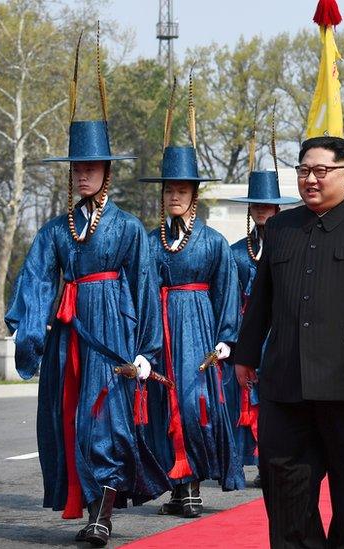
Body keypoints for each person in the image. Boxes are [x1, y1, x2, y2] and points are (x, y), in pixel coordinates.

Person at [4, 38, 169, 547]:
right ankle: (88, 506)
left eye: (90, 166)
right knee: (72, 421)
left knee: (106, 421)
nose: (81, 173)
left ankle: (103, 515)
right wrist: (31, 332)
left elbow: (145, 286)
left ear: (107, 173)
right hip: (67, 337)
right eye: (75, 167)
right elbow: (33, 280)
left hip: (112, 334)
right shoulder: (56, 231)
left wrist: (146, 349)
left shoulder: (127, 229)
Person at [233, 136, 344, 548]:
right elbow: (263, 297)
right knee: (284, 485)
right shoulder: (281, 227)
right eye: (304, 170)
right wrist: (246, 353)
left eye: (321, 171)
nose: (310, 179)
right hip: (285, 381)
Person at [142, 132, 244, 517]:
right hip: (160, 332)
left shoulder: (214, 242)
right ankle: (178, 488)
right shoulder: (149, 243)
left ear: (194, 195)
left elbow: (227, 291)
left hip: (199, 329)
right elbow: (139, 291)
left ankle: (194, 484)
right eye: (169, 190)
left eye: (182, 190)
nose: (175, 197)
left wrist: (226, 338)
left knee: (194, 405)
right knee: (163, 406)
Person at [224, 165, 298, 486]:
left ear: (278, 208)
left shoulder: (291, 245)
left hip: (281, 330)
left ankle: (277, 460)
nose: (263, 211)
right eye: (257, 206)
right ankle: (239, 462)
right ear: (250, 210)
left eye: (268, 205)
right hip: (247, 329)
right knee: (241, 396)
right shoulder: (236, 252)